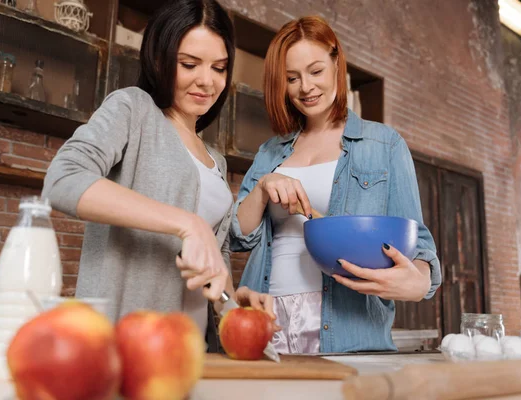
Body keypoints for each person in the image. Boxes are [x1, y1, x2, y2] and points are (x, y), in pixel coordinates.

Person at [42, 0, 275, 350]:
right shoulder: (133, 109)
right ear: (159, 59)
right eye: (189, 64)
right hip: (125, 346)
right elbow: (62, 179)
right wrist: (187, 223)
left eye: (219, 68)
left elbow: (214, 258)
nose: (207, 81)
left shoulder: (216, 161)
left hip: (191, 351)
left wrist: (230, 302)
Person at [230, 16, 442, 353]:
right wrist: (262, 187)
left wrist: (419, 281)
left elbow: (419, 243)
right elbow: (238, 237)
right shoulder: (270, 152)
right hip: (265, 317)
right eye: (292, 78)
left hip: (347, 326)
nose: (306, 87)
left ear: (336, 63)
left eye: (316, 71)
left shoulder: (384, 144)